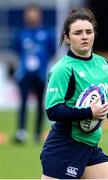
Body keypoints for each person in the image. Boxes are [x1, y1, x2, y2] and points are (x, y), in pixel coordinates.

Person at [40, 8, 108, 179]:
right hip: (64, 149)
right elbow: (53, 110)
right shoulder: (63, 69)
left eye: (88, 31)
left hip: (90, 148)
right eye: (78, 33)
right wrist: (89, 112)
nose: (84, 36)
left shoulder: (102, 64)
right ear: (67, 38)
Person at [12, 4, 56, 143]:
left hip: (40, 74)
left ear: (39, 15)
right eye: (29, 14)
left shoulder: (47, 33)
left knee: (40, 104)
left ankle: (37, 133)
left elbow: (52, 51)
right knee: (23, 102)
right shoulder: (21, 33)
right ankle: (21, 132)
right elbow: (17, 50)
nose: (31, 17)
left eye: (33, 14)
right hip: (24, 74)